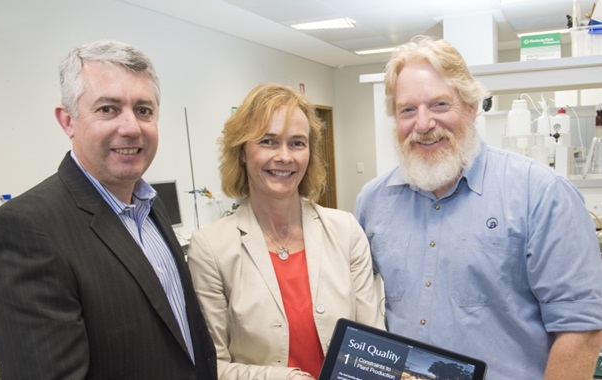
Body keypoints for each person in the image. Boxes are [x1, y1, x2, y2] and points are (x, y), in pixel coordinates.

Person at [355, 35, 602, 379]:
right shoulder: (373, 201)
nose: (423, 124)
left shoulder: (542, 195)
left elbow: (583, 330)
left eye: (440, 105)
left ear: (471, 107)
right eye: (407, 110)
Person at [0, 40, 217, 380]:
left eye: (144, 110)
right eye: (108, 109)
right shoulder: (23, 230)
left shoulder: (150, 206)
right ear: (67, 120)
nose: (131, 127)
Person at [187, 82, 384, 380]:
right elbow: (210, 364)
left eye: (297, 143)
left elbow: (373, 343)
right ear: (242, 151)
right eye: (268, 141)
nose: (285, 156)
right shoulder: (211, 248)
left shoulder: (345, 231)